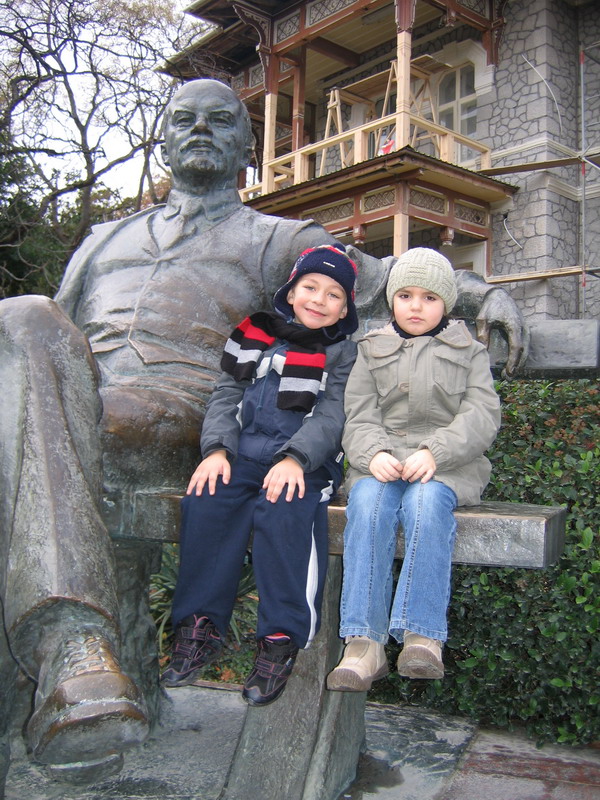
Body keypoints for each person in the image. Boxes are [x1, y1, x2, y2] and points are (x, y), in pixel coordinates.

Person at [0, 78, 386, 782]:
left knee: (22, 317)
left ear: (246, 147)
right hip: (81, 403)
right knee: (23, 322)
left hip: (185, 412)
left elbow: (383, 281)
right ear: (164, 140)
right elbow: (34, 354)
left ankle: (72, 640)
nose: (200, 129)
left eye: (219, 120)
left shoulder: (278, 239)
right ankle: (76, 686)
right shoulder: (103, 238)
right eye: (184, 119)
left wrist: (474, 295)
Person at [161, 244, 359, 706]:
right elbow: (225, 396)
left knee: (284, 509)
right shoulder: (256, 338)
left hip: (307, 463)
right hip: (244, 455)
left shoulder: (343, 354)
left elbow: (333, 415)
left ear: (344, 309)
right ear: (290, 292)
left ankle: (279, 639)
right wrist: (216, 450)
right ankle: (199, 626)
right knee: (207, 499)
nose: (319, 299)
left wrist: (296, 459)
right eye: (310, 287)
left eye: (333, 294)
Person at [327, 248, 501, 691]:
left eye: (429, 297)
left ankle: (422, 635)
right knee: (367, 504)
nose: (416, 306)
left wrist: (436, 452)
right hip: (381, 465)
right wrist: (373, 454)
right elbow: (358, 415)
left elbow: (481, 415)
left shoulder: (470, 352)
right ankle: (363, 644)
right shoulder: (370, 351)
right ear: (392, 301)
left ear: (446, 303)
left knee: (426, 503)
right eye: (405, 296)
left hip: (446, 468)